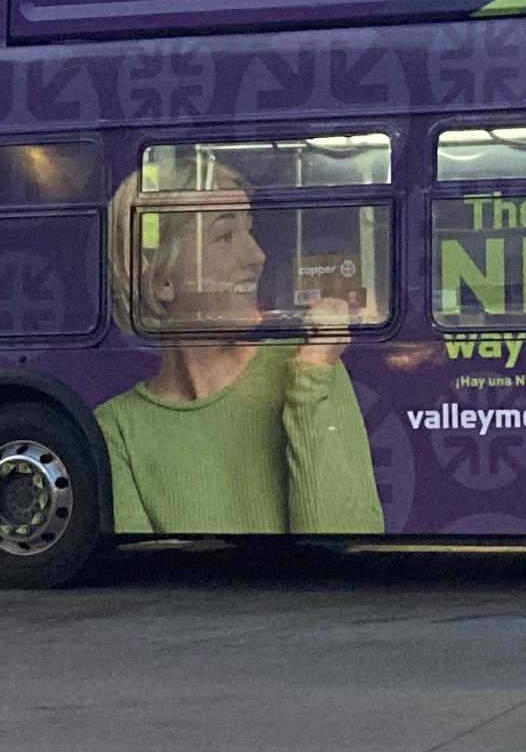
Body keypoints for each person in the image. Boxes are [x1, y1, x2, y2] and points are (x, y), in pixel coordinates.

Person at [96, 167, 384, 535]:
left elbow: (346, 555)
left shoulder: (309, 366)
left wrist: (309, 384)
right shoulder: (117, 429)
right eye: (226, 235)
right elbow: (146, 581)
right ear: (160, 278)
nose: (257, 255)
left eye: (249, 230)